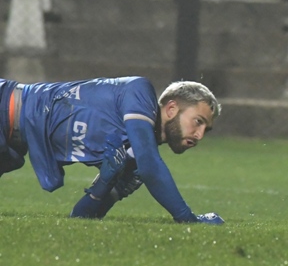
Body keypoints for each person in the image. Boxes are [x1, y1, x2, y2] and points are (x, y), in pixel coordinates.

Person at [0, 75, 224, 224]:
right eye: (198, 121)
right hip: (5, 103)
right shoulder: (139, 91)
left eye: (207, 129)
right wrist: (188, 219)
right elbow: (151, 166)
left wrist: (103, 186)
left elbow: (79, 219)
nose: (200, 135)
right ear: (172, 108)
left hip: (11, 143)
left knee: (12, 160)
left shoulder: (135, 154)